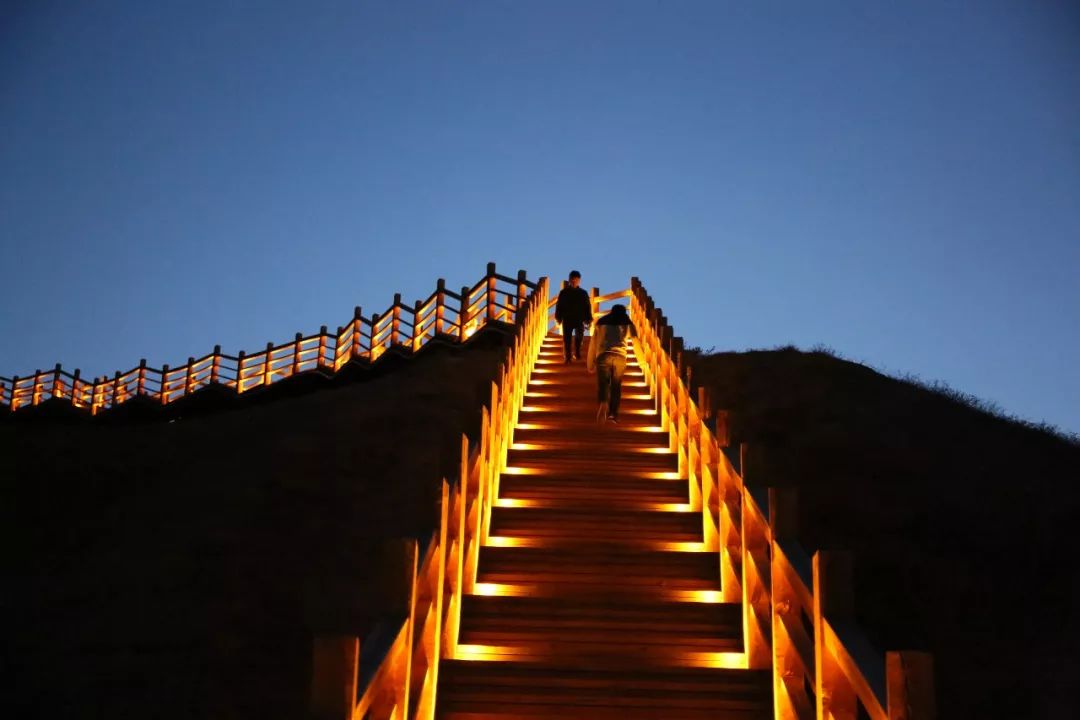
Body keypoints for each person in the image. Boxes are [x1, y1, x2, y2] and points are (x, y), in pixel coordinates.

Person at [587, 303, 636, 422]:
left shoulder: (601, 322)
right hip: (620, 356)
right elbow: (635, 340)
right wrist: (644, 363)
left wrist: (590, 363)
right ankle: (613, 413)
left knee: (603, 383)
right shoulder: (627, 322)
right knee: (616, 385)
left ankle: (603, 402)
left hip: (603, 355)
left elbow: (593, 342)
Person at [554, 270, 592, 363]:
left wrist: (588, 318)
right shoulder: (564, 292)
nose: (574, 281)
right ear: (569, 280)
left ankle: (577, 352)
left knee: (579, 337)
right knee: (567, 338)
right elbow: (559, 305)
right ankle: (568, 356)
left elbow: (587, 306)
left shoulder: (583, 293)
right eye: (572, 279)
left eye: (576, 280)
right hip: (567, 318)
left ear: (579, 280)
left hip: (580, 318)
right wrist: (558, 317)